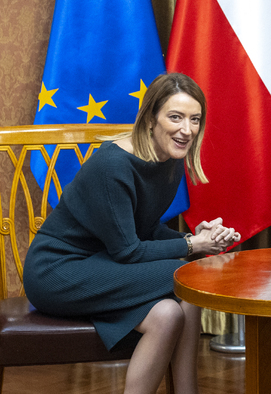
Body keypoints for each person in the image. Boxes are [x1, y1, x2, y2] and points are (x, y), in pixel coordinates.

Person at [23, 73, 240, 394]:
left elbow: (145, 230)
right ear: (151, 117)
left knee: (168, 314)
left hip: (104, 264)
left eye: (195, 120)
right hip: (57, 271)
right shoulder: (114, 166)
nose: (187, 130)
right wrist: (192, 245)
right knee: (187, 275)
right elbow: (128, 251)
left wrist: (198, 239)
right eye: (176, 117)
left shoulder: (168, 158)